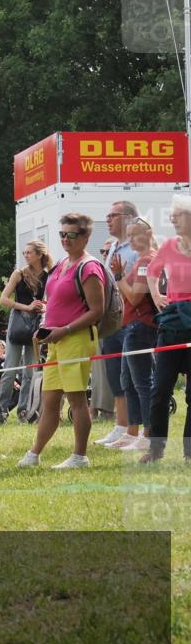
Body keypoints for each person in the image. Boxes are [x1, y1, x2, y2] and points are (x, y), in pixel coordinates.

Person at [18, 213, 105, 469]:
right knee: (50, 400)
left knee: (77, 400)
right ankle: (34, 454)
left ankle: (80, 456)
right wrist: (45, 328)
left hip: (76, 339)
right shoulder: (61, 265)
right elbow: (55, 303)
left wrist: (65, 329)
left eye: (71, 234)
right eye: (62, 234)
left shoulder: (89, 267)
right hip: (55, 340)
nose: (65, 239)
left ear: (85, 237)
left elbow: (96, 311)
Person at [146, 194, 191, 464]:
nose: (172, 219)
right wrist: (156, 296)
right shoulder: (169, 246)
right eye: (172, 216)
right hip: (172, 324)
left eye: (178, 215)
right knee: (160, 389)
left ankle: (189, 454)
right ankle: (156, 450)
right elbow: (152, 272)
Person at [110, 216, 158, 452]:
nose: (129, 240)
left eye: (134, 235)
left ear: (148, 234)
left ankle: (148, 434)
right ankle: (132, 432)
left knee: (141, 382)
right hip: (132, 326)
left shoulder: (147, 261)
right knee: (128, 381)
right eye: (128, 236)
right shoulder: (142, 260)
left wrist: (119, 278)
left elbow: (135, 296)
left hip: (140, 327)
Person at [93, 201, 139, 445]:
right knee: (116, 375)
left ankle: (136, 429)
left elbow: (133, 290)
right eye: (107, 215)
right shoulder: (113, 249)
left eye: (113, 215)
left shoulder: (137, 249)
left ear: (130, 218)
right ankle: (121, 426)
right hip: (112, 321)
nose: (108, 219)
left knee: (133, 375)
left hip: (131, 319)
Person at [0, 240, 51, 417]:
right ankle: (1, 409)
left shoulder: (48, 276)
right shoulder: (19, 274)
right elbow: (3, 299)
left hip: (35, 325)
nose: (26, 255)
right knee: (10, 369)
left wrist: (43, 307)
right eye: (25, 253)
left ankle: (24, 410)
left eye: (29, 252)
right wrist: (27, 306)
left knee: (30, 371)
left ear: (39, 254)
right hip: (19, 322)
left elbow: (51, 301)